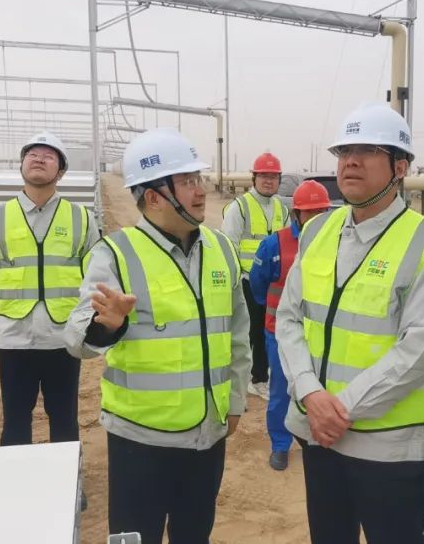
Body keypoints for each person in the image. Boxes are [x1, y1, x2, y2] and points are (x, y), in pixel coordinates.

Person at [277, 102, 424, 543]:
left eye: (366, 151)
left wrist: (338, 409)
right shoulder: (318, 230)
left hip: (386, 447)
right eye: (344, 152)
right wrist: (310, 393)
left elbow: (419, 351)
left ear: (400, 167)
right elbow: (289, 318)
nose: (350, 162)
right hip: (318, 434)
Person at [66, 127, 251, 544]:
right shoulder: (115, 254)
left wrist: (236, 400)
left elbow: (239, 333)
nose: (200, 190)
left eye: (198, 178)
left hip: (207, 433)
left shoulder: (222, 249)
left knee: (194, 535)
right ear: (153, 197)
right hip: (140, 440)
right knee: (135, 538)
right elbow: (75, 340)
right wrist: (108, 325)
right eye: (187, 181)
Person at [0, 131, 98, 447]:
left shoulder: (82, 218)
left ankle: (69, 477)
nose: (39, 159)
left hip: (63, 337)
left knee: (64, 419)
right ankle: (16, 478)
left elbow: (94, 275)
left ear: (61, 171)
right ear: (21, 165)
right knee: (15, 420)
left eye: (49, 155)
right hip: (14, 338)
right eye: (32, 153)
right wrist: (11, 306)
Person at [249, 180, 332, 471]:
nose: (316, 218)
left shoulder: (337, 243)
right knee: (282, 391)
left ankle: (314, 439)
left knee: (319, 389)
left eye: (321, 212)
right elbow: (258, 285)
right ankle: (280, 444)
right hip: (280, 333)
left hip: (320, 334)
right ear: (297, 213)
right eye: (310, 212)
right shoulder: (275, 244)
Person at [223, 151, 289, 398]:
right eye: (264, 176)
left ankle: (261, 374)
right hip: (248, 281)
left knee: (270, 330)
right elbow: (229, 244)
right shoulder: (240, 207)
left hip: (274, 283)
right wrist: (235, 280)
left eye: (273, 177)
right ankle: (255, 379)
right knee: (250, 331)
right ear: (254, 178)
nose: (268, 181)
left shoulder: (281, 207)